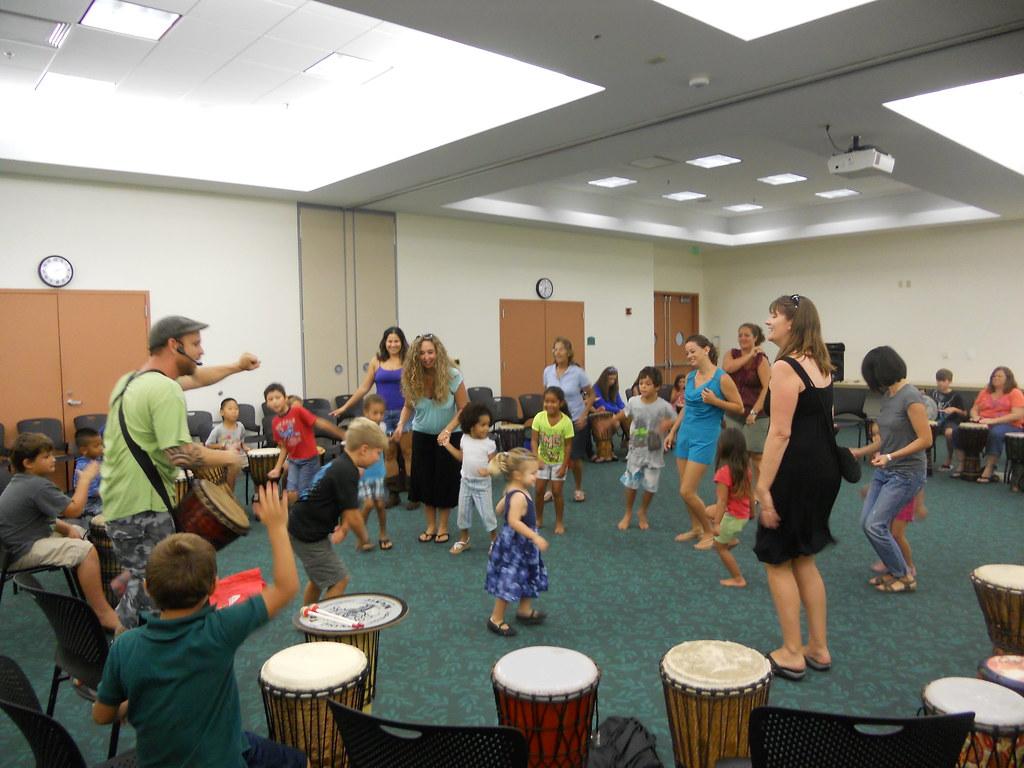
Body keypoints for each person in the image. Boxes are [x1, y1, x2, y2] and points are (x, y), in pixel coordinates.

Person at [92, 483, 306, 768]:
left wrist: (129, 702)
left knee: (246, 740)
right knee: (301, 762)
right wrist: (278, 527)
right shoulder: (219, 631)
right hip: (223, 759)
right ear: (215, 586)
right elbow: (287, 586)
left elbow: (102, 716)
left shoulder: (125, 645)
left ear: (148, 588)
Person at [100, 315, 257, 628]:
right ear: (174, 345)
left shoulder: (131, 381)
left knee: (141, 575)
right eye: (195, 344)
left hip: (120, 502)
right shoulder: (164, 390)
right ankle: (115, 653)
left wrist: (237, 366)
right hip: (142, 507)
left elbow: (198, 379)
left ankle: (115, 621)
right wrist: (228, 457)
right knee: (156, 587)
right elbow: (180, 454)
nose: (201, 352)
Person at [754, 294, 841, 681]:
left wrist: (762, 487)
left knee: (777, 560)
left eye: (774, 316)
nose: (769, 321)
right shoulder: (822, 365)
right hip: (823, 470)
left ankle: (792, 652)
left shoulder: (785, 367)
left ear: (792, 322)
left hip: (796, 472)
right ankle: (818, 647)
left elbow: (780, 432)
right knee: (804, 557)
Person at [0, 433, 121, 632]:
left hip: (17, 543)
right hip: (17, 552)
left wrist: (67, 528)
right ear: (28, 463)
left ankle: (90, 592)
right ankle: (102, 614)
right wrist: (85, 479)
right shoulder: (37, 485)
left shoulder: (22, 481)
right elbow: (74, 510)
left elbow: (46, 517)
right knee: (86, 550)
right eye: (46, 457)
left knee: (79, 531)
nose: (53, 459)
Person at [852, 346, 932, 594]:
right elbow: (885, 438)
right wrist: (860, 452)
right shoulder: (889, 396)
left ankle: (904, 575)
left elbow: (925, 439)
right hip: (886, 471)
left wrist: (890, 456)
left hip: (906, 473)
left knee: (876, 525)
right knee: (868, 523)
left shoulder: (911, 397)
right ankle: (893, 569)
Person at [287, 417, 388, 605]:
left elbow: (343, 502)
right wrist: (363, 538)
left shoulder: (342, 464)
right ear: (364, 449)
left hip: (302, 527)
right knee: (340, 579)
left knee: (318, 580)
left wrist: (343, 528)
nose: (377, 458)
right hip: (307, 534)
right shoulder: (346, 471)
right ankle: (320, 626)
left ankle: (307, 616)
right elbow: (353, 515)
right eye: (378, 453)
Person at [665, 335, 744, 549]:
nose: (689, 355)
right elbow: (688, 407)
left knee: (687, 491)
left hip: (705, 437)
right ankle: (696, 528)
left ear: (706, 349)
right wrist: (673, 431)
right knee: (685, 488)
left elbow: (739, 407)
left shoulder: (722, 378)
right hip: (685, 435)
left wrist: (716, 401)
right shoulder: (690, 377)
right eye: (687, 352)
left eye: (693, 351)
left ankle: (711, 532)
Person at [393, 333, 469, 544]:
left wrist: (448, 429)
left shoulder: (452, 375)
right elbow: (408, 406)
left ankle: (443, 526)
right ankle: (431, 526)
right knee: (424, 481)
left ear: (437, 353)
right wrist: (400, 425)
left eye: (430, 352)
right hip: (422, 435)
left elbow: (464, 407)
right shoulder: (412, 376)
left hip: (448, 436)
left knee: (444, 481)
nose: (426, 357)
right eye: (422, 353)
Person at [331, 326, 415, 510]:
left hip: (405, 412)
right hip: (382, 415)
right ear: (385, 342)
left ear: (402, 342)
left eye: (396, 341)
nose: (393, 344)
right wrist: (344, 407)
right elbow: (364, 388)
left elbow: (413, 389)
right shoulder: (376, 361)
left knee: (408, 452)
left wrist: (404, 416)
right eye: (390, 341)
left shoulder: (409, 361)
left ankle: (413, 494)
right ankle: (393, 494)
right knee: (389, 453)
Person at [485, 449, 549, 637]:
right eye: (533, 473)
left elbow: (498, 509)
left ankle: (524, 610)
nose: (536, 477)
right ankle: (495, 619)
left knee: (529, 574)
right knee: (509, 580)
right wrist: (535, 536)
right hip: (517, 546)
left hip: (522, 545)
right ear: (517, 475)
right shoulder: (520, 495)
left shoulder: (513, 490)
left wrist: (506, 504)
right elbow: (514, 521)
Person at [612, 366, 675, 531]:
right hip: (636, 449)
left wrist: (667, 425)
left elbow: (674, 418)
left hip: (654, 449)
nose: (643, 387)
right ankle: (628, 513)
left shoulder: (663, 405)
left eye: (648, 383)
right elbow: (624, 413)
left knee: (650, 485)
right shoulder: (634, 401)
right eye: (641, 383)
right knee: (631, 484)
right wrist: (612, 420)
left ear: (657, 386)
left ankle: (642, 511)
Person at [264, 383, 346, 504]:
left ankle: (309, 517)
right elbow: (284, 447)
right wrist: (277, 468)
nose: (275, 401)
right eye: (270, 399)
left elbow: (320, 423)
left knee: (304, 495)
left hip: (309, 461)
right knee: (291, 493)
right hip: (293, 461)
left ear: (285, 398)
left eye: (278, 397)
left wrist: (343, 434)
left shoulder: (297, 411)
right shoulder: (275, 422)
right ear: (267, 404)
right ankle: (293, 518)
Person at [950, 366, 1024, 482]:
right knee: (957, 431)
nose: (996, 378)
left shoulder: (1015, 393)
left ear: (1008, 378)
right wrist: (976, 417)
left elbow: (1017, 415)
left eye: (999, 376)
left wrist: (992, 421)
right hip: (984, 422)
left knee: (995, 433)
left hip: (1010, 425)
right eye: (994, 376)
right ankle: (962, 463)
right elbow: (974, 409)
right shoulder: (985, 392)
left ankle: (989, 468)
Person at [542, 337, 594, 502]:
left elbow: (592, 395)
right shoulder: (547, 371)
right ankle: (550, 488)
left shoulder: (578, 372)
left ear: (569, 352)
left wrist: (585, 415)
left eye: (561, 349)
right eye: (555, 349)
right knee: (552, 455)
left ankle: (578, 488)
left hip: (575, 420)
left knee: (575, 458)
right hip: (553, 421)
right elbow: (546, 395)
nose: (557, 352)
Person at [442, 402, 498, 555]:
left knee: (487, 514)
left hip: (482, 485)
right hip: (465, 483)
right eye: (482, 425)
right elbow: (461, 457)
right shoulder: (464, 439)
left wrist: (489, 471)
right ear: (471, 425)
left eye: (488, 424)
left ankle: (495, 540)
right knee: (463, 513)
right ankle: (464, 540)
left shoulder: (490, 444)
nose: (486, 428)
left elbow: (495, 464)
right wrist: (447, 446)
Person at [722, 323, 771, 486]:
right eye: (740, 335)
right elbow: (728, 368)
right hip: (734, 412)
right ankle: (740, 489)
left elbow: (767, 388)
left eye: (747, 335)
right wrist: (749, 355)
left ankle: (760, 491)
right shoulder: (732, 354)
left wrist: (754, 412)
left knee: (755, 455)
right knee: (735, 454)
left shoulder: (761, 360)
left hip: (756, 414)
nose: (742, 338)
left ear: (755, 338)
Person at [707, 428, 754, 587]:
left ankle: (738, 578)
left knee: (720, 548)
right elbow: (750, 492)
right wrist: (752, 513)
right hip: (743, 513)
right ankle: (731, 538)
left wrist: (716, 524)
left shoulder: (723, 472)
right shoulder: (745, 468)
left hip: (732, 516)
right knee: (707, 511)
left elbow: (722, 501)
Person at [530, 386, 574, 533]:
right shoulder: (539, 418)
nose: (549, 405)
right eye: (546, 401)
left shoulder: (566, 422)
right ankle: (538, 518)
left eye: (553, 402)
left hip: (559, 462)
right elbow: (534, 441)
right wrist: (537, 459)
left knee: (556, 492)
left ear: (560, 403)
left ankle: (559, 522)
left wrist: (564, 466)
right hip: (542, 460)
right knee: (539, 490)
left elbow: (568, 446)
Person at [357, 395, 392, 551]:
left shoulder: (382, 427)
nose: (379, 417)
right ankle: (362, 536)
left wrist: (391, 440)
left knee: (379, 504)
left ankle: (383, 534)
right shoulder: (360, 429)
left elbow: (383, 446)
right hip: (364, 473)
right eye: (375, 413)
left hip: (378, 472)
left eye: (381, 413)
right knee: (368, 504)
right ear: (366, 412)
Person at [205, 397, 247, 490]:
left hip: (240, 457)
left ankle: (257, 494)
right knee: (233, 465)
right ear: (222, 412)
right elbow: (208, 445)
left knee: (257, 461)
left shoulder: (240, 426)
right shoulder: (218, 429)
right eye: (230, 409)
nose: (234, 411)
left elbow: (241, 442)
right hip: (225, 458)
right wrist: (222, 445)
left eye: (236, 408)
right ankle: (230, 493)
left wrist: (247, 448)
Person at [930, 368, 966, 470]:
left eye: (943, 380)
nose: (940, 383)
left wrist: (954, 409)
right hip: (935, 420)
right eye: (938, 380)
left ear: (949, 381)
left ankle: (949, 458)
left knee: (949, 433)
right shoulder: (932, 393)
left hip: (951, 421)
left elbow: (964, 413)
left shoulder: (956, 395)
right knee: (925, 430)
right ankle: (925, 458)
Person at [593, 366, 626, 461]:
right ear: (604, 378)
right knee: (616, 423)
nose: (612, 382)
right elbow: (601, 404)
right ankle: (607, 448)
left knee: (627, 416)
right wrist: (617, 410)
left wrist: (623, 409)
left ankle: (628, 440)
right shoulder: (596, 388)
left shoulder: (614, 388)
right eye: (610, 379)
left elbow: (620, 403)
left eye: (614, 379)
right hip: (603, 414)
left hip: (614, 413)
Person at [73, 427, 105, 524]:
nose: (101, 448)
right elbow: (92, 492)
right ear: (84, 450)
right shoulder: (83, 467)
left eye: (101, 444)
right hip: (90, 505)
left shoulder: (98, 459)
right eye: (96, 446)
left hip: (100, 500)